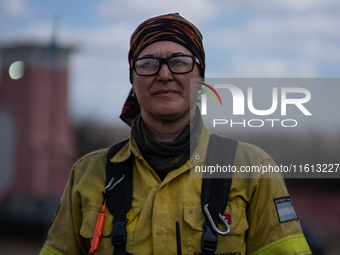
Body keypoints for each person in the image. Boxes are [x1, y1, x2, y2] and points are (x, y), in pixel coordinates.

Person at [40, 13, 311, 255]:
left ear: (200, 77)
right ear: (133, 82)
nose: (165, 74)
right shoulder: (89, 174)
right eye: (148, 63)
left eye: (179, 61)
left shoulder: (253, 169)